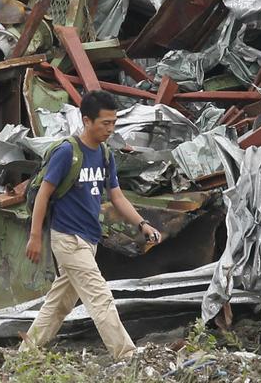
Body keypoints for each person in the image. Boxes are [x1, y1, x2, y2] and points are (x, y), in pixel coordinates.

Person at [20, 90, 162, 361]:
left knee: (59, 303)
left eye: (113, 123)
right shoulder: (67, 152)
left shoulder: (105, 155)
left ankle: (26, 354)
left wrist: (142, 224)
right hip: (68, 239)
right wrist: (35, 236)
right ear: (87, 121)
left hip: (89, 239)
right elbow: (43, 194)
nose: (110, 129)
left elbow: (117, 196)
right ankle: (127, 355)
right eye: (105, 123)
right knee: (100, 297)